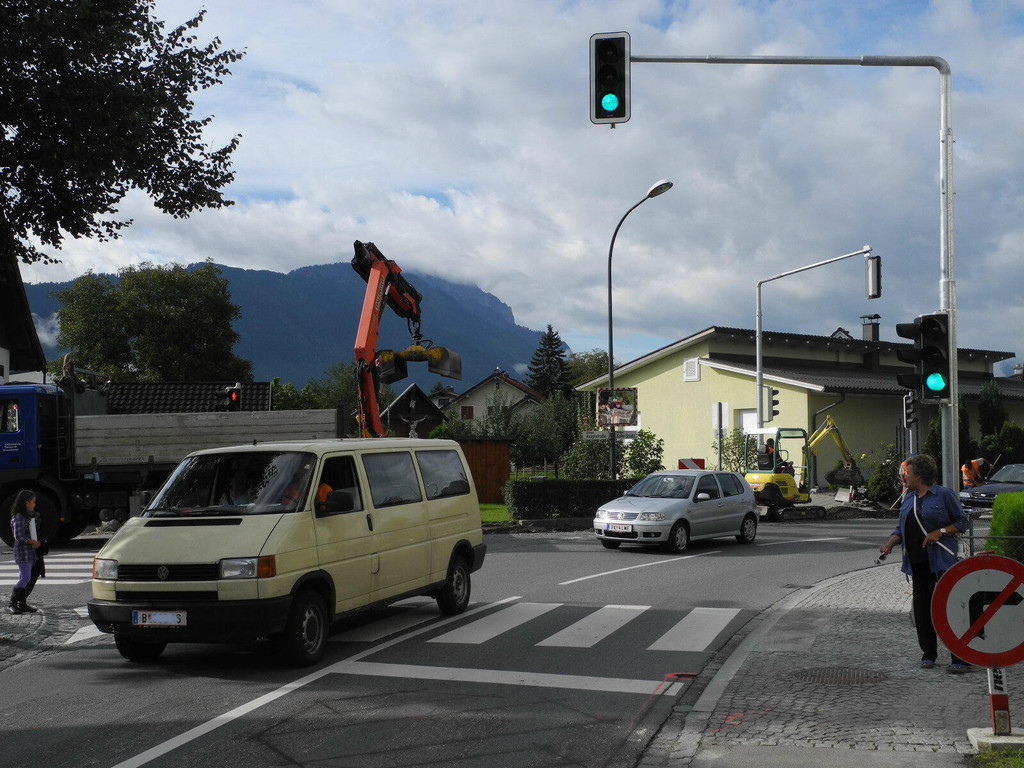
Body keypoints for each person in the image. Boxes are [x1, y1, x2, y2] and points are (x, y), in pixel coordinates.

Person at [879, 454, 970, 673]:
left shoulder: (944, 495)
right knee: (921, 611)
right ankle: (928, 653)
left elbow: (962, 522)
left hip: (942, 561)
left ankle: (960, 657)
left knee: (950, 608)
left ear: (919, 475)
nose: (904, 477)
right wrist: (890, 543)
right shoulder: (908, 498)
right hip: (918, 563)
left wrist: (940, 531)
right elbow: (902, 528)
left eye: (907, 473)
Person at [8, 490, 42, 615]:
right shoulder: (19, 517)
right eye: (33, 502)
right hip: (23, 552)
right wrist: (31, 541)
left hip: (29, 552)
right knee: (26, 577)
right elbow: (18, 536)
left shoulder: (26, 516)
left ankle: (22, 603)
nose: (34, 504)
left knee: (24, 577)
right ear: (26, 502)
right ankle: (12, 604)